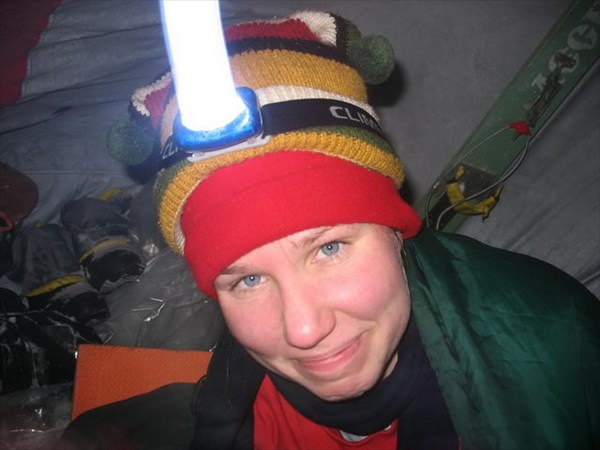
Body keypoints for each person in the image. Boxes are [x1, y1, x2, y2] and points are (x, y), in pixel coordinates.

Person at [56, 10, 599, 450]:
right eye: (247, 280)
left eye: (329, 248)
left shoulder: (561, 345)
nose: (303, 330)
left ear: (395, 228)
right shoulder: (233, 395)